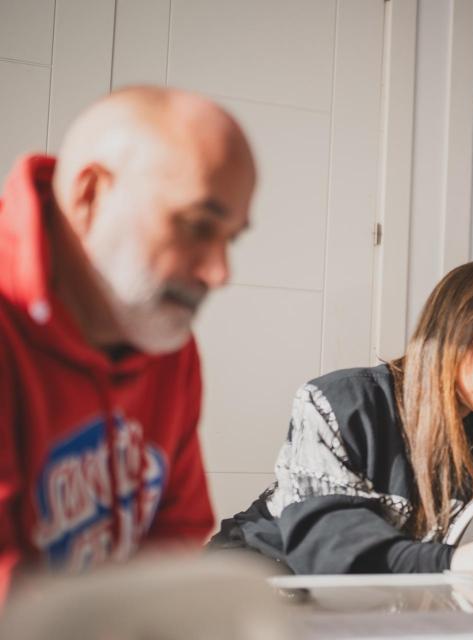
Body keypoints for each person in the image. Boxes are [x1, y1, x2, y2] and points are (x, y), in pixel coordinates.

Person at [0, 86, 256, 606]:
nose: (219, 272)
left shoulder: (160, 335)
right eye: (197, 226)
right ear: (91, 194)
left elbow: (176, 533)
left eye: (230, 237)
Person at [210, 259, 473, 575]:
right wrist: (452, 561)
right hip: (253, 575)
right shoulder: (340, 404)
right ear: (444, 337)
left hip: (386, 596)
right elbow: (331, 551)